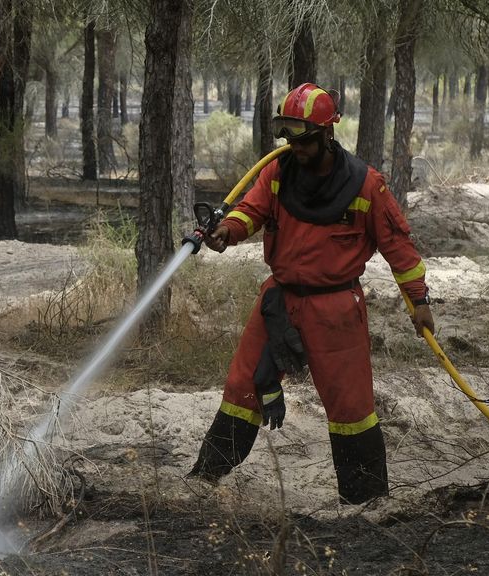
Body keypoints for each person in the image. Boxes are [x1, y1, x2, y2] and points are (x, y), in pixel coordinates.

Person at [187, 82, 435, 504]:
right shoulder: (279, 172)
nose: (294, 149)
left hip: (336, 311)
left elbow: (399, 248)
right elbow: (251, 210)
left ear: (326, 134)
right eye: (288, 139)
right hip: (279, 301)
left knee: (351, 408)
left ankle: (365, 503)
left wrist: (420, 302)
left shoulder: (366, 186)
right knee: (242, 387)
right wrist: (227, 231)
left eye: (303, 141)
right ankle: (203, 480)